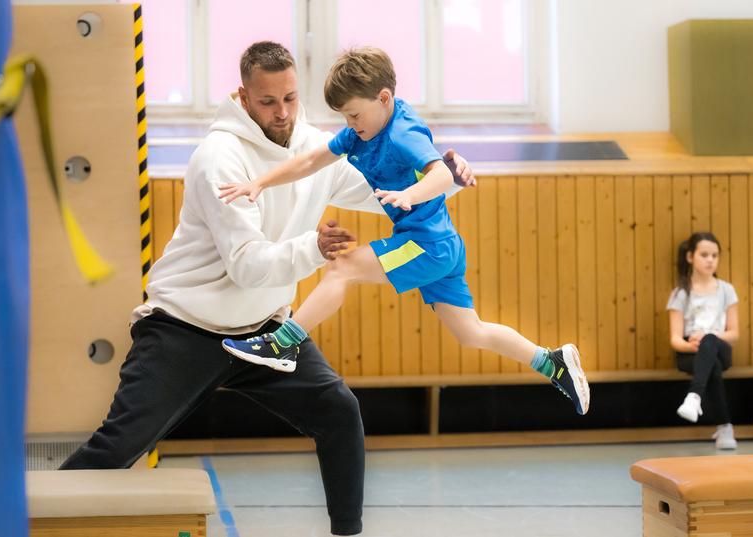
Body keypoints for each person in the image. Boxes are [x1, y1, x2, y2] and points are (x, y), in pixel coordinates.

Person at [59, 41, 477, 536]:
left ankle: (348, 531)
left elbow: (384, 193)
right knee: (117, 447)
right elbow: (245, 266)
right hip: (186, 328)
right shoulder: (220, 158)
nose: (282, 112)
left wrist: (450, 174)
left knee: (340, 413)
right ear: (243, 96)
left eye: (291, 99)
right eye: (267, 102)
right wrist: (314, 248)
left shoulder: (315, 148)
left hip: (265, 332)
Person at [219, 47, 590, 416]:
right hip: (443, 245)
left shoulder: (401, 134)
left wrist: (408, 195)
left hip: (425, 244)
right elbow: (313, 160)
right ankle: (552, 363)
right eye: (345, 117)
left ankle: (283, 343)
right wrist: (262, 182)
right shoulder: (363, 131)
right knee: (471, 332)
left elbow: (442, 175)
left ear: (383, 98)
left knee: (341, 268)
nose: (350, 124)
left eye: (354, 115)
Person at [666, 232, 739, 450]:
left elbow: (734, 334)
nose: (710, 260)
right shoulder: (681, 293)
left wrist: (710, 338)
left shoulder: (727, 290)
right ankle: (725, 428)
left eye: (714, 255)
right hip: (691, 351)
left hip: (720, 346)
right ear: (690, 257)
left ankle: (694, 395)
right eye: (704, 255)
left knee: (710, 342)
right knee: (711, 364)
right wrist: (690, 345)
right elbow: (675, 339)